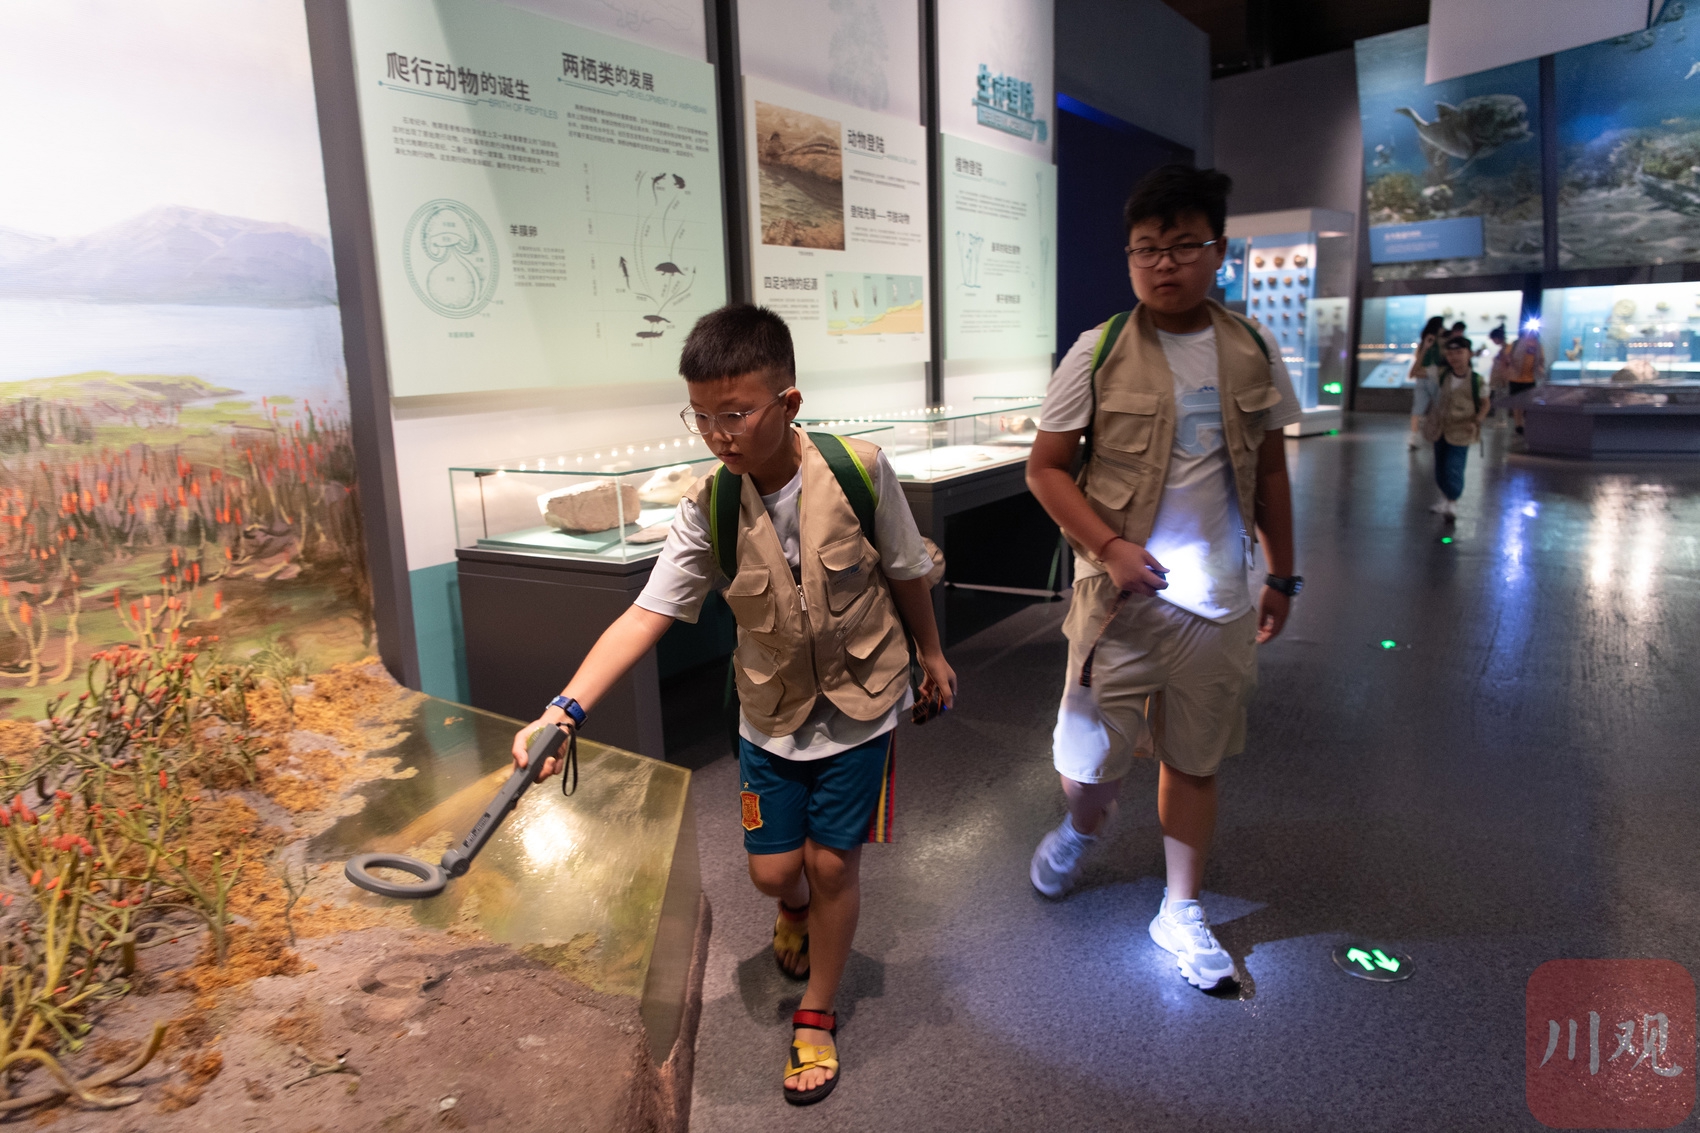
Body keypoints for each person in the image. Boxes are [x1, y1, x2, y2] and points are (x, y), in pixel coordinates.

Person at [508, 304, 955, 1106]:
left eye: (736, 413)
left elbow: (905, 565)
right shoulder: (708, 506)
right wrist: (563, 709)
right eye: (703, 416)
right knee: (774, 871)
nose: (719, 435)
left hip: (862, 704)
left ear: (789, 401)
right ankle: (792, 909)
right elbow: (644, 614)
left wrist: (932, 652)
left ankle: (816, 1012)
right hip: (770, 714)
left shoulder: (859, 470)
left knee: (833, 863)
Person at [1024, 165, 1301, 992]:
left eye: (1183, 245)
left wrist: (1284, 574)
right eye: (1146, 248)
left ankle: (1181, 906)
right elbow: (1046, 469)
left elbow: (1271, 472)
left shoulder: (1253, 348)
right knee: (1086, 770)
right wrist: (1110, 546)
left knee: (1195, 759)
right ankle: (1083, 824)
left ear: (1218, 250)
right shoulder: (1099, 349)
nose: (1163, 263)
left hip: (1217, 603)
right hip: (1119, 605)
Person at [1424, 333, 1490, 520]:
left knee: (1454, 465)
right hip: (1440, 429)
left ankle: (1452, 501)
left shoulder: (1477, 380)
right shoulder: (1442, 375)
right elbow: (1419, 370)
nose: (1454, 357)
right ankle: (1445, 498)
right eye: (1450, 353)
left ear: (1469, 354)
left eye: (1459, 352)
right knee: (1440, 467)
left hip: (1462, 430)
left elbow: (1485, 404)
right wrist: (1426, 348)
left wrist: (1477, 420)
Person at [1407, 316, 1445, 450]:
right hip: (1432, 378)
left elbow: (1418, 361)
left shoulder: (1424, 343)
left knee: (1418, 409)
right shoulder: (1438, 343)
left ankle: (1415, 437)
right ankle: (1432, 435)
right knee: (1437, 407)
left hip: (1424, 378)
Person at [1506, 323, 1545, 434]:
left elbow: (1541, 360)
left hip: (1530, 379)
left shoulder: (1538, 345)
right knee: (1516, 403)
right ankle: (1518, 425)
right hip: (1515, 378)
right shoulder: (1516, 343)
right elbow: (1507, 356)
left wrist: (1540, 369)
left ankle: (1525, 423)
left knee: (1527, 403)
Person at [1486, 325, 1511, 426]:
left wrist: (1504, 378)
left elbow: (1504, 365)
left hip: (1502, 379)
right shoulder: (1504, 349)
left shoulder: (1505, 350)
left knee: (1501, 400)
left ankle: (1501, 420)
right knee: (1499, 399)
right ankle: (1500, 420)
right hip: (1500, 379)